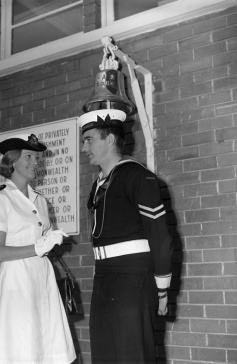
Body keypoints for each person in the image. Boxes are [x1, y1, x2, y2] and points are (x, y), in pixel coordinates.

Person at [78, 109, 172, 363]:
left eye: (89, 139)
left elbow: (160, 237)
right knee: (105, 354)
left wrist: (161, 291)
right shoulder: (99, 184)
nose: (84, 146)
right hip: (105, 279)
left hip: (134, 281)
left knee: (132, 356)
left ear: (109, 140)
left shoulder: (136, 175)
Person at [0, 133, 76, 363]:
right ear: (12, 160)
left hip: (42, 276)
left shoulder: (40, 200)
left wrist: (50, 240)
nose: (35, 162)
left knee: (46, 343)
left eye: (37, 157)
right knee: (23, 346)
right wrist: (37, 247)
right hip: (18, 280)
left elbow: (43, 241)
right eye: (29, 156)